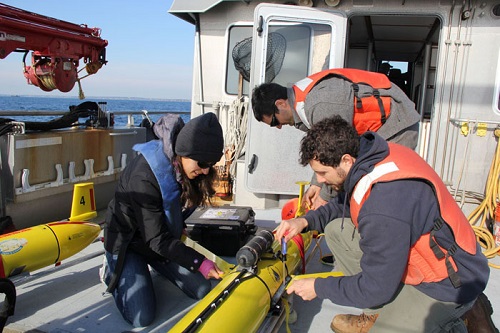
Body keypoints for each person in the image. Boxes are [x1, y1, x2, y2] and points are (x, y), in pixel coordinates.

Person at [275, 115, 494, 333]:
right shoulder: (372, 155)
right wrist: (305, 220)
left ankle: (460, 316)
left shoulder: (383, 206)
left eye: (322, 173)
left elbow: (375, 287)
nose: (320, 180)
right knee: (335, 230)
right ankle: (379, 313)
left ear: (347, 160)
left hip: (447, 284)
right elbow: (344, 201)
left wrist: (317, 287)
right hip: (432, 253)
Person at [102, 112, 224, 327]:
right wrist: (199, 261)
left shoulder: (180, 166)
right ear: (184, 152)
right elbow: (157, 238)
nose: (205, 170)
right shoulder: (144, 177)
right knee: (141, 317)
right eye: (203, 162)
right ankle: (111, 270)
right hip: (129, 243)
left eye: (211, 164)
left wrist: (180, 226)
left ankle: (155, 264)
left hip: (158, 239)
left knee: (202, 289)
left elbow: (168, 210)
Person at [251, 68, 420, 210]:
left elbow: (336, 155)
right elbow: (322, 151)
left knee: (382, 190)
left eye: (274, 121)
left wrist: (324, 197)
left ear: (281, 104)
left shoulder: (319, 105)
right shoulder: (303, 103)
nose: (279, 127)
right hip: (378, 129)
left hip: (397, 126)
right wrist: (316, 184)